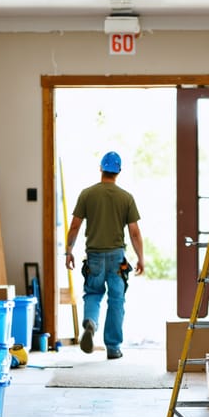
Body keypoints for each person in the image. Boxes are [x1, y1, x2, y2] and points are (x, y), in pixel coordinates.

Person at [65, 151, 145, 360]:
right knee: (116, 300)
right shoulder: (126, 197)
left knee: (93, 293)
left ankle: (91, 322)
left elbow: (74, 226)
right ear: (118, 171)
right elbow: (134, 232)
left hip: (94, 257)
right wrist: (141, 258)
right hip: (117, 258)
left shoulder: (87, 194)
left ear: (101, 168)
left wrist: (69, 252)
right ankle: (113, 347)